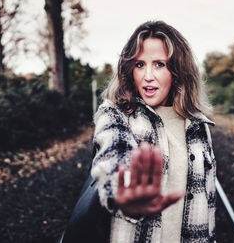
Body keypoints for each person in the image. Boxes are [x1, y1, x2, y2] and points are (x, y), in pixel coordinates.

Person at [91, 20, 216, 242]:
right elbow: (113, 155)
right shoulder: (115, 115)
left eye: (159, 64)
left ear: (177, 70)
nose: (148, 75)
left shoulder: (198, 125)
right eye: (139, 65)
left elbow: (208, 206)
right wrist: (125, 194)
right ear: (129, 70)